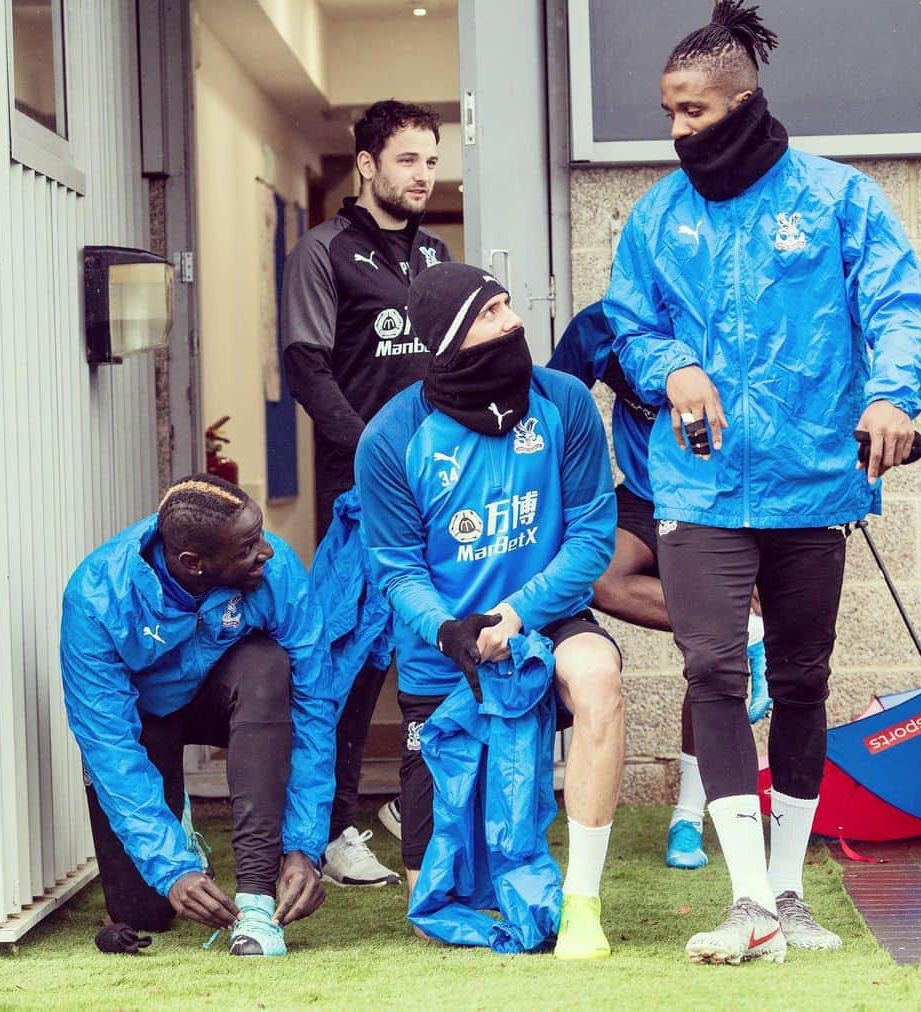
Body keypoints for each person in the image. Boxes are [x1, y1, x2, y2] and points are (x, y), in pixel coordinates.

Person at [605, 0, 921, 966]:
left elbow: (903, 309)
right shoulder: (656, 217)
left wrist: (892, 398)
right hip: (699, 488)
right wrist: (671, 367)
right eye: (668, 113)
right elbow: (629, 328)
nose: (677, 132)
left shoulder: (839, 199)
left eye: (694, 113)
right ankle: (746, 897)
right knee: (714, 669)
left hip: (813, 484)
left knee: (800, 681)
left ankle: (788, 891)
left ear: (745, 103)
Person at [355, 262, 623, 960]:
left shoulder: (562, 400)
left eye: (508, 304)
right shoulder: (389, 437)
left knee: (598, 676)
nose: (513, 323)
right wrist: (450, 630)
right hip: (445, 650)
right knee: (434, 906)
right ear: (450, 340)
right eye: (490, 313)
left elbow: (593, 534)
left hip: (544, 618)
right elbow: (396, 567)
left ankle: (583, 904)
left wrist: (519, 614)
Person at [60, 475, 338, 957]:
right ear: (195, 563)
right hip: (145, 719)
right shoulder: (96, 597)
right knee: (144, 912)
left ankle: (256, 896)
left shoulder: (276, 570)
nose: (267, 552)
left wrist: (304, 847)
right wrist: (171, 869)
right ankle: (179, 832)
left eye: (261, 534)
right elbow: (109, 747)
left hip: (227, 693)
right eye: (248, 546)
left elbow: (315, 708)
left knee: (268, 666)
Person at [282, 99, 451, 886]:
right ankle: (333, 826)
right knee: (349, 662)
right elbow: (308, 369)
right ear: (368, 164)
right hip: (363, 494)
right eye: (408, 159)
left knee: (428, 647)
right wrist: (378, 457)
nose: (423, 174)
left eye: (431, 159)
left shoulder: (436, 256)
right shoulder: (324, 251)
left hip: (441, 491)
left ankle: (422, 809)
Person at [548, 302, 771, 871]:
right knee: (600, 574)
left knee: (708, 661)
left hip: (729, 499)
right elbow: (551, 407)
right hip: (647, 496)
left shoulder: (730, 310)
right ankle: (742, 626)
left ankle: (689, 819)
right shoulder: (603, 324)